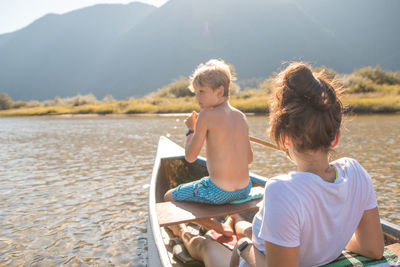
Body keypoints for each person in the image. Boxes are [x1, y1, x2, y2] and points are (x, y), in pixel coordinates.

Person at [169, 62, 385, 267]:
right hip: (277, 244)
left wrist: (243, 248)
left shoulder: (281, 190)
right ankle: (236, 223)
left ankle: (184, 233)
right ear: (335, 138)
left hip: (259, 255)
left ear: (285, 138)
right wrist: (334, 238)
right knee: (250, 230)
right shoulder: (356, 172)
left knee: (204, 246)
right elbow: (374, 249)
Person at [164, 59, 253, 236]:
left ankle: (220, 227)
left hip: (219, 193)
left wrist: (191, 129)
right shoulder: (241, 116)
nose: (197, 98)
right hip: (245, 188)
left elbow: (190, 157)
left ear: (220, 91)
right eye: (196, 93)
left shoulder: (206, 116)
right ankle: (232, 217)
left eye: (201, 92)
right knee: (207, 184)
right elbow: (249, 159)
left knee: (169, 196)